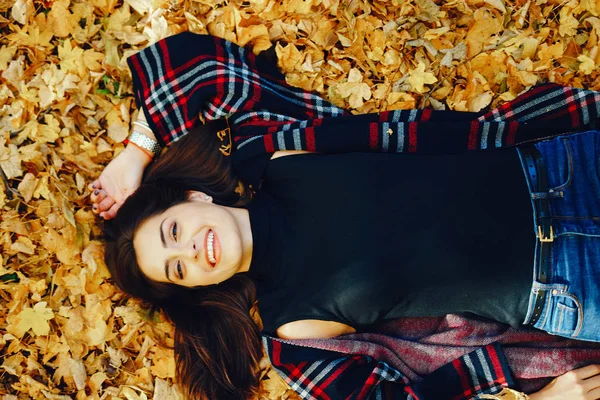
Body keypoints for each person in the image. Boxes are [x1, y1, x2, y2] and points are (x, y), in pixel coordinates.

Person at [92, 32, 600, 399]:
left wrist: (136, 153)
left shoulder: (269, 150)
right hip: (568, 289)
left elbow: (195, 67)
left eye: (172, 231)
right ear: (195, 289)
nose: (190, 251)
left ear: (194, 199)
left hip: (560, 166)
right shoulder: (294, 335)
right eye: (176, 269)